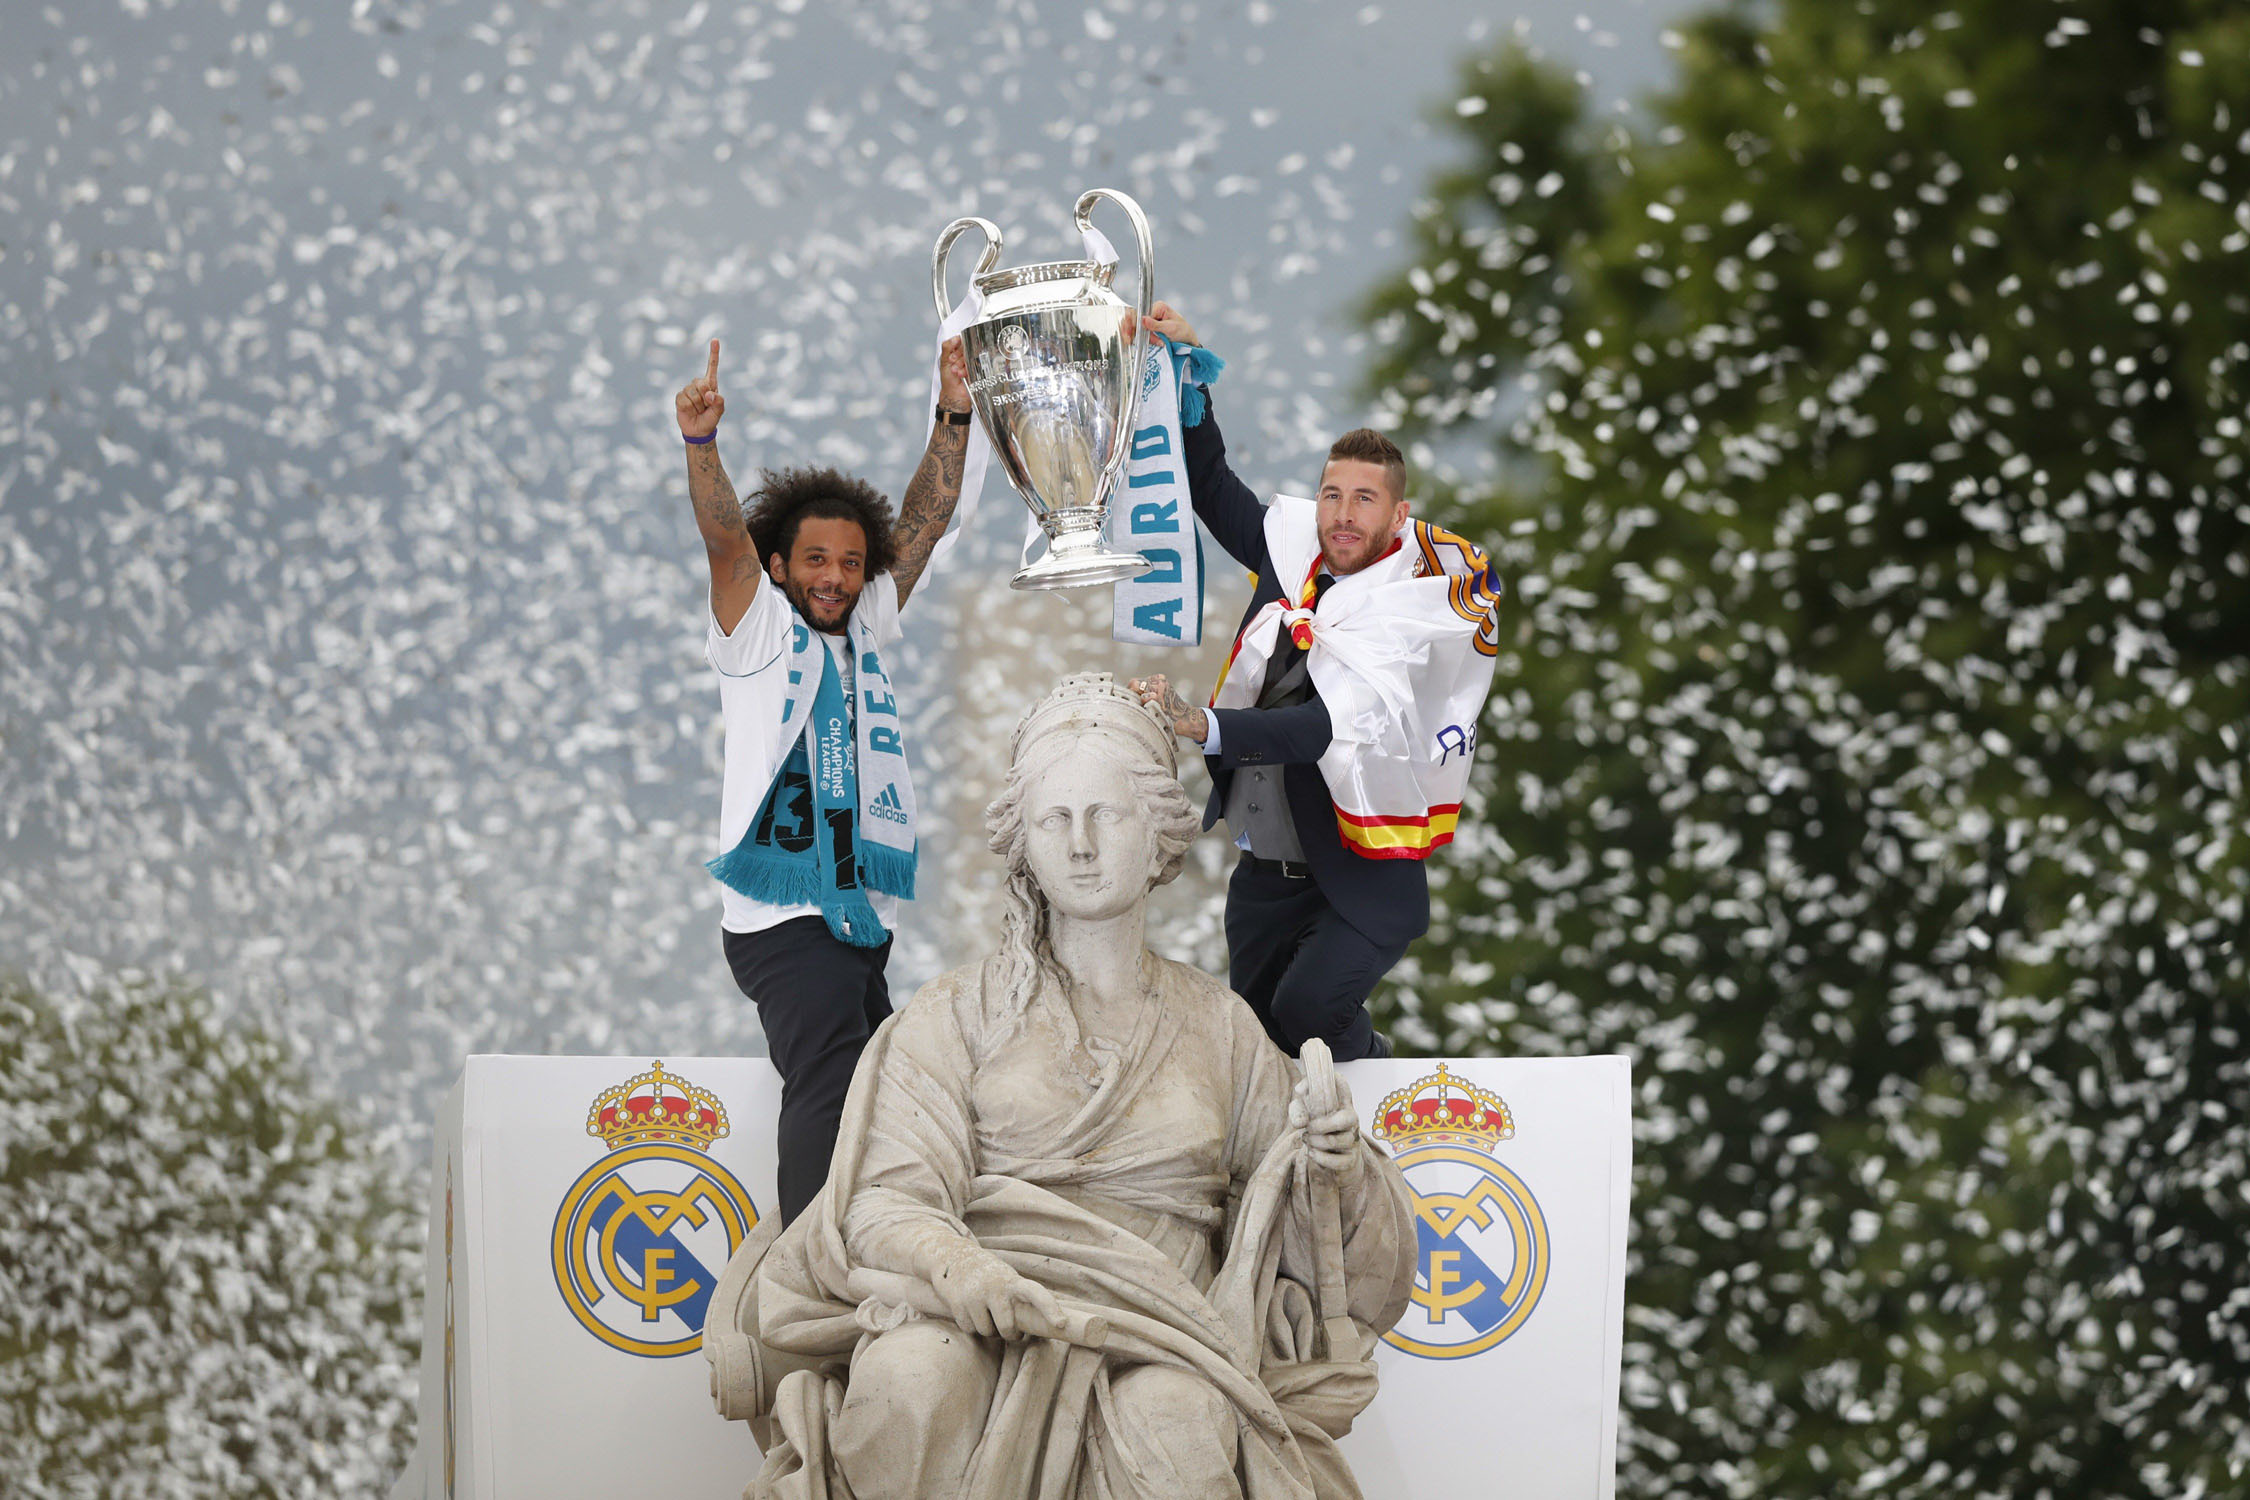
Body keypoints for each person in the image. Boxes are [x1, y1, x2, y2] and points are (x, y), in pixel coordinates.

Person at [711, 673, 1416, 1500]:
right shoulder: (955, 1016)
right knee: (913, 1382)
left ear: (1157, 831)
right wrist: (962, 1271)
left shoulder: (1220, 1027)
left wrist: (1332, 1166)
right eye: (1055, 819)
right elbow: (882, 1201)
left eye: (1106, 814)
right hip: (972, 1308)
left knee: (1180, 1431)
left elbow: (1300, 1227)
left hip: (1163, 1329)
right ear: (1026, 843)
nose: (1080, 844)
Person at [1127, 303, 1500, 1065]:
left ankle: (1385, 1098)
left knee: (1306, 1014)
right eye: (1332, 494)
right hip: (1264, 876)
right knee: (1254, 1053)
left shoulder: (1405, 616)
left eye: (1364, 499)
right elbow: (1208, 485)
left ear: (1398, 518)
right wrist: (1189, 373)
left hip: (1358, 883)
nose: (1342, 514)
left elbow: (1317, 730)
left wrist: (1206, 723)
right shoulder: (1290, 561)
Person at [675, 333, 972, 1224]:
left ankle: (870, 1241)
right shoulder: (758, 628)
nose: (836, 578)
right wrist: (702, 446)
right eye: (815, 561)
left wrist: (953, 412)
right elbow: (725, 540)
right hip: (779, 918)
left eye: (849, 562)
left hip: (854, 913)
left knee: (884, 1089)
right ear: (780, 566)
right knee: (830, 1075)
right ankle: (807, 1276)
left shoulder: (869, 620)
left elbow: (927, 517)